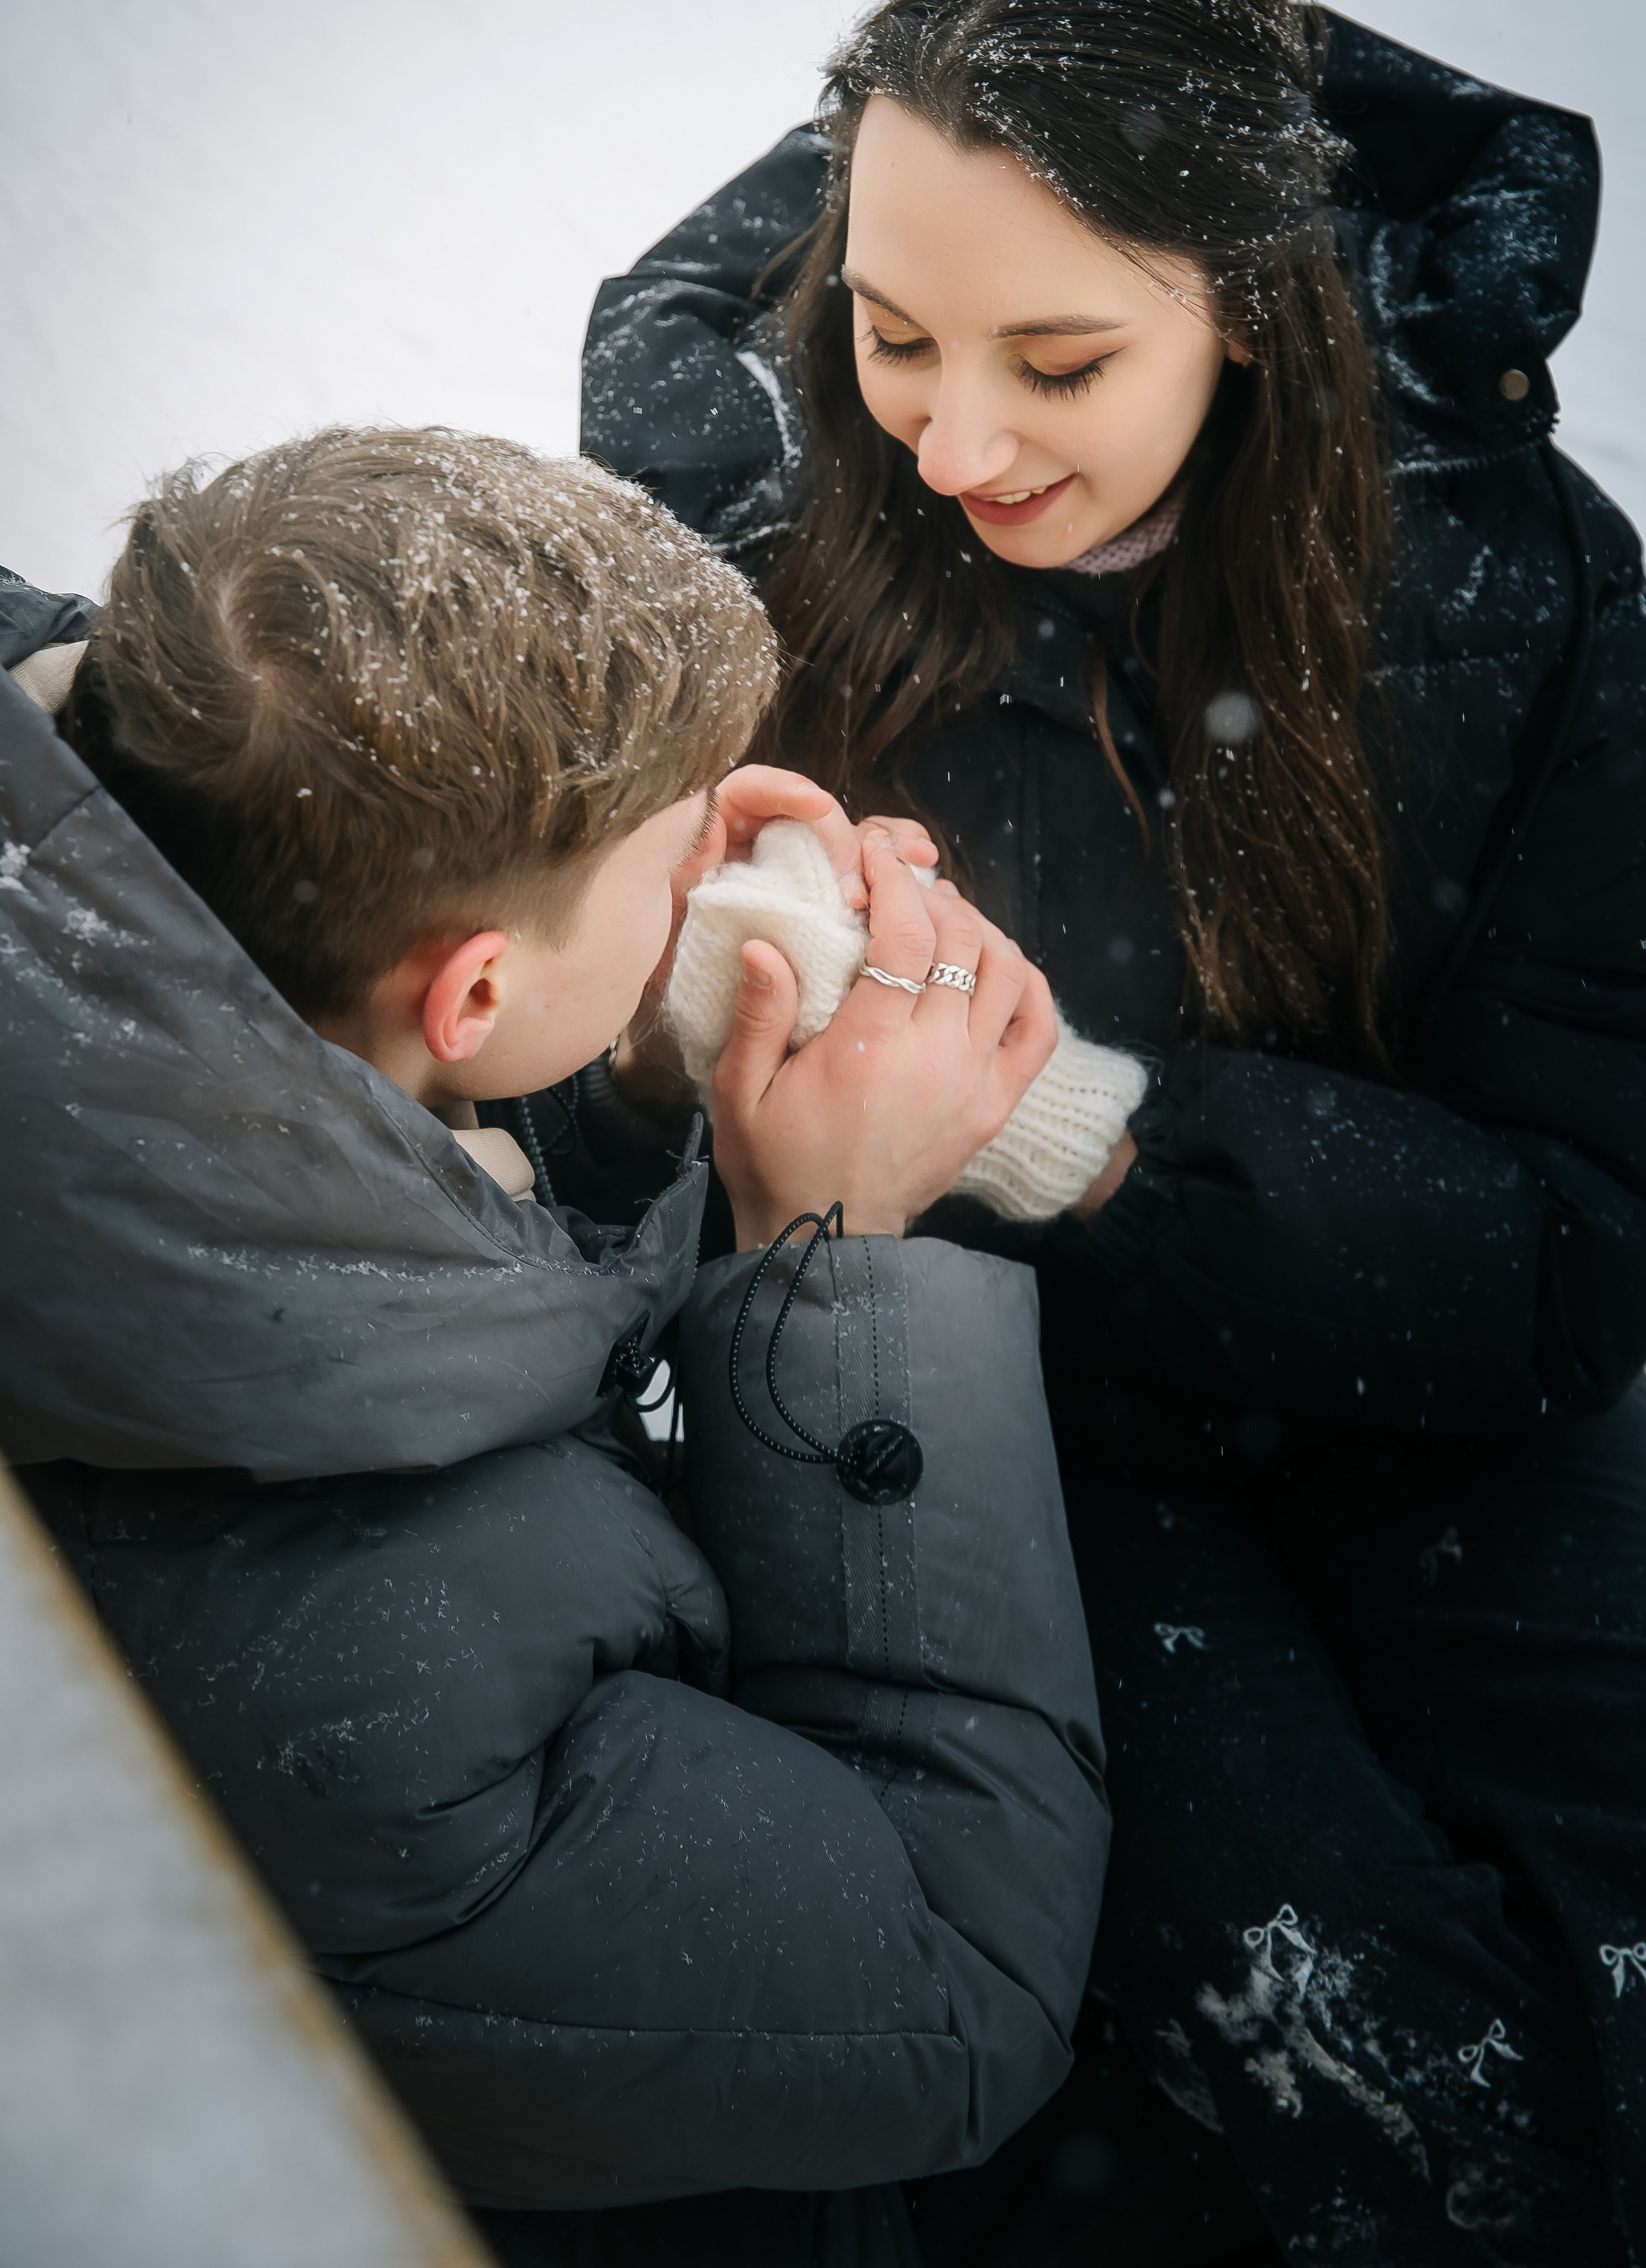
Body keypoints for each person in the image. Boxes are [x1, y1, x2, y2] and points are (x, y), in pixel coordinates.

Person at [581, 0, 1646, 2264]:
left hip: (1440, 1387)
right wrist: (695, 1019)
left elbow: (1586, 1247)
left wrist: (1089, 1142)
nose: (952, 441)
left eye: (1058, 365)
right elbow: (505, 999)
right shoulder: (715, 487)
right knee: (1381, 2070)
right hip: (978, 1409)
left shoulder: (1534, 590)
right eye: (892, 336)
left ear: (1249, 308)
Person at [0, 431, 1109, 2267]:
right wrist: (835, 1260)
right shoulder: (351, 1698)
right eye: (675, 861)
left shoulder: (127, 822)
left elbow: (368, 1169)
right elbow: (957, 1979)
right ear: (479, 992)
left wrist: (629, 1086)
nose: (714, 858)